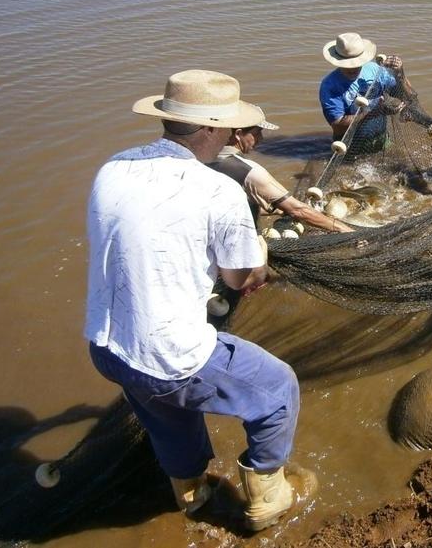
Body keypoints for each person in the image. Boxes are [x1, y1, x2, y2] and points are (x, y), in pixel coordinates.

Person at [84, 69, 311, 531]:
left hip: (106, 347)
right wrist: (260, 254)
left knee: (167, 412)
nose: (233, 132)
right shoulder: (218, 190)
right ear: (210, 128)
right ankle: (268, 499)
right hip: (169, 352)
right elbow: (242, 277)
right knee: (277, 390)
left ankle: (192, 494)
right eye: (227, 123)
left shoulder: (114, 167)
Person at [209, 122, 354, 233]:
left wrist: (276, 209)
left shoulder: (203, 158)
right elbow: (298, 210)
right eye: (257, 133)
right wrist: (344, 229)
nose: (261, 138)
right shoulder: (248, 170)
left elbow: (226, 207)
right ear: (238, 134)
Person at [318, 32, 414, 153]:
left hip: (381, 139)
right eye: (347, 64)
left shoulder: (374, 69)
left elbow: (407, 95)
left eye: (356, 62)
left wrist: (400, 74)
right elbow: (338, 126)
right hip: (349, 146)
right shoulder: (329, 86)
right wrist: (375, 111)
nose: (352, 67)